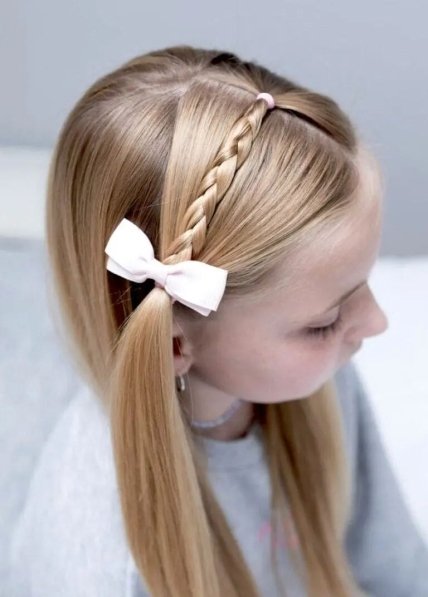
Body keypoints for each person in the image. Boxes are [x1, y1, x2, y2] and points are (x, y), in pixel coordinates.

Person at [8, 45, 428, 596]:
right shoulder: (97, 549)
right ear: (175, 346)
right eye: (324, 322)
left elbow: (397, 570)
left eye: (362, 285)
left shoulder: (321, 383)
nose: (375, 323)